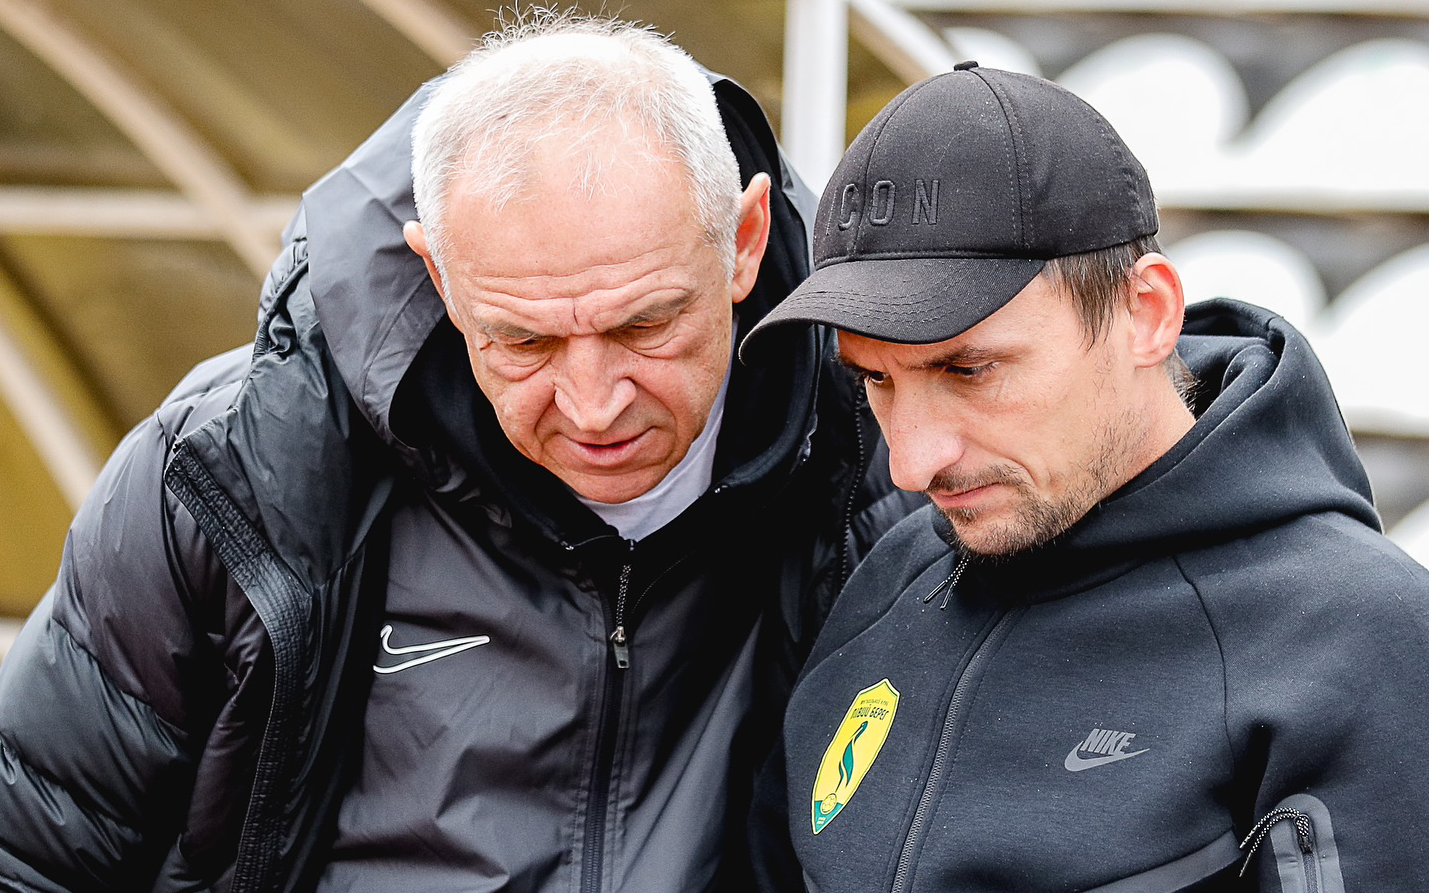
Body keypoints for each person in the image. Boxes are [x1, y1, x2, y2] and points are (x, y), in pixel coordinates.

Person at [0, 15, 920, 893]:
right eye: (525, 342)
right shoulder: (231, 472)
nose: (594, 404)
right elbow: (27, 850)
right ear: (439, 275)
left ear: (743, 241)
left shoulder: (901, 467)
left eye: (644, 325)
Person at [741, 62, 1426, 891]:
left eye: (968, 370)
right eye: (876, 381)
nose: (914, 463)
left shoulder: (1363, 637)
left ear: (1147, 313)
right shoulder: (889, 580)